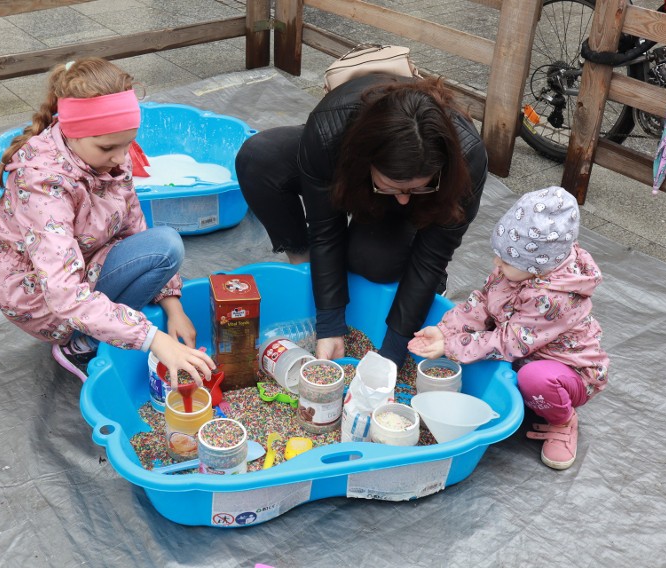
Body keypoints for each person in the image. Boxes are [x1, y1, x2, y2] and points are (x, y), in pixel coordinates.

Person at [0, 57, 214, 385]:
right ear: (73, 133)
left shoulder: (110, 155)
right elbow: (63, 293)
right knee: (156, 254)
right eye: (107, 147)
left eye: (128, 142)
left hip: (87, 260)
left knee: (166, 245)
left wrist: (174, 307)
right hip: (40, 297)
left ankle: (101, 330)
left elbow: (133, 225)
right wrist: (154, 338)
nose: (120, 157)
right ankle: (79, 345)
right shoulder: (43, 185)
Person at [235, 73, 488, 369]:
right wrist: (329, 324)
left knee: (373, 261)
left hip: (410, 192)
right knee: (259, 158)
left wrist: (393, 351)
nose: (404, 198)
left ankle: (420, 267)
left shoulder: (467, 159)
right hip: (345, 156)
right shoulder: (329, 132)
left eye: (417, 187)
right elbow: (326, 228)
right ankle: (305, 268)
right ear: (365, 161)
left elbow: (432, 255)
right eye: (392, 186)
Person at [409, 187, 610, 470]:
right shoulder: (517, 268)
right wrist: (446, 330)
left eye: (504, 260)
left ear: (538, 267)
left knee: (534, 379)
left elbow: (509, 343)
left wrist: (452, 346)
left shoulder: (551, 299)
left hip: (566, 371)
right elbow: (484, 301)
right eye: (498, 256)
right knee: (494, 355)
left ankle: (563, 421)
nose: (496, 264)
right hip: (524, 347)